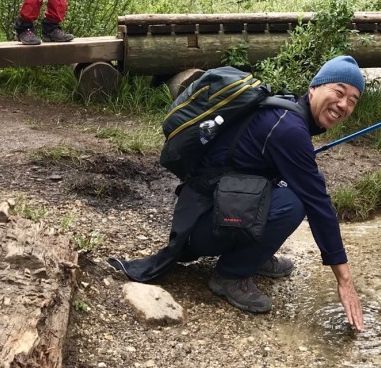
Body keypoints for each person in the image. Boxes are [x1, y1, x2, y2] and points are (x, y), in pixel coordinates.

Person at [110, 55, 366, 331]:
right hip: (201, 227)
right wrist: (345, 281)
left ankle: (254, 256)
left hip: (205, 210)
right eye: (338, 92)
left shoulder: (285, 110)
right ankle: (231, 275)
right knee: (296, 201)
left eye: (352, 100)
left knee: (299, 184)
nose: (343, 104)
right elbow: (319, 204)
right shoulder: (289, 129)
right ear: (314, 87)